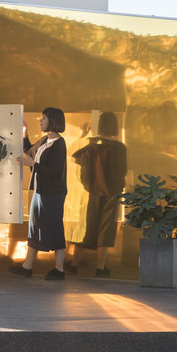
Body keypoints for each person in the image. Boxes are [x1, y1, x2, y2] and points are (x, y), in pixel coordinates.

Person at [7, 107, 68, 280]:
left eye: (44, 118)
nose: (40, 121)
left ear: (52, 121)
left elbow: (54, 170)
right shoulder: (44, 140)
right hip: (40, 191)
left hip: (52, 193)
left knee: (54, 227)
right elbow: (30, 151)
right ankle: (27, 266)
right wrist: (24, 135)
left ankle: (59, 269)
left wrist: (32, 164)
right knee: (35, 226)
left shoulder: (59, 143)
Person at [69, 111, 127, 278]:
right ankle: (100, 268)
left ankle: (74, 264)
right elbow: (122, 171)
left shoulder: (91, 145)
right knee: (105, 229)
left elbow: (73, 157)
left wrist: (83, 135)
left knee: (88, 227)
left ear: (99, 125)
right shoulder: (119, 148)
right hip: (112, 194)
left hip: (93, 193)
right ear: (115, 126)